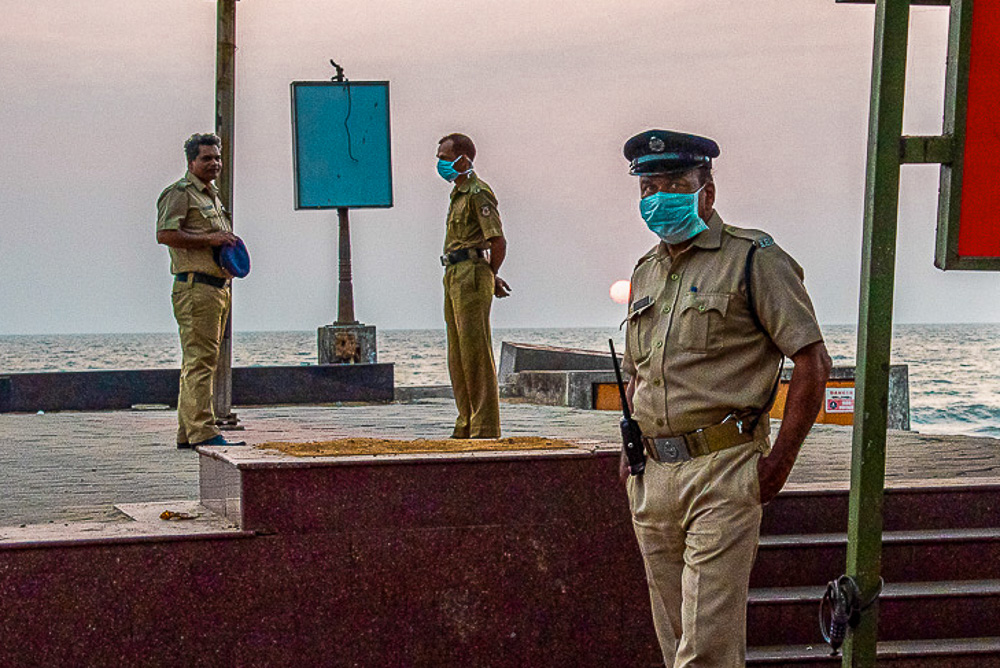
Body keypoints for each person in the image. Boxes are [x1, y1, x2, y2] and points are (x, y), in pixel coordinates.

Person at [620, 129, 832, 666]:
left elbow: (812, 361)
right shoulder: (646, 271)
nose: (658, 196)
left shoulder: (753, 258)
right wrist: (629, 449)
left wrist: (779, 463)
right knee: (675, 647)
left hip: (723, 469)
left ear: (706, 192)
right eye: (648, 186)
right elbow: (638, 370)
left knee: (706, 652)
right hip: (654, 479)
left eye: (673, 183)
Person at [156, 133, 246, 449]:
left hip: (218, 288)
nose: (214, 164)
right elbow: (166, 233)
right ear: (191, 161)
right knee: (200, 362)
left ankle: (188, 431)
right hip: (195, 288)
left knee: (201, 360)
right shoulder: (180, 194)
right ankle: (204, 432)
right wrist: (210, 240)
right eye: (207, 158)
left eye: (217, 158)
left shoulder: (212, 196)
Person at [436, 133, 511, 439]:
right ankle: (465, 420)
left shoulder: (478, 192)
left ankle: (484, 425)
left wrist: (491, 275)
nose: (440, 162)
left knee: (475, 352)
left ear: (463, 159)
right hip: (453, 271)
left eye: (445, 156)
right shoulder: (457, 195)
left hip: (472, 272)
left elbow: (497, 241)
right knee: (457, 354)